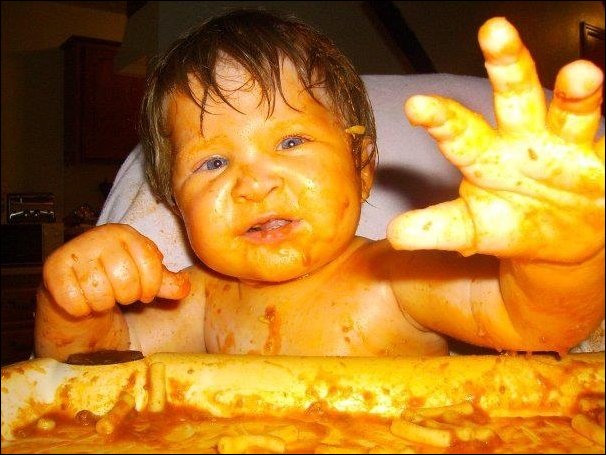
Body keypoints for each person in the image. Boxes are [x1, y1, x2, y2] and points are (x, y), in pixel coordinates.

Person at [35, 9, 604, 361]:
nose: (255, 184)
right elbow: (95, 369)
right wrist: (73, 303)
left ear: (362, 165)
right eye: (212, 163)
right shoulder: (200, 299)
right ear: (175, 205)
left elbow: (535, 323)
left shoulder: (397, 276)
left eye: (290, 141)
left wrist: (563, 258)